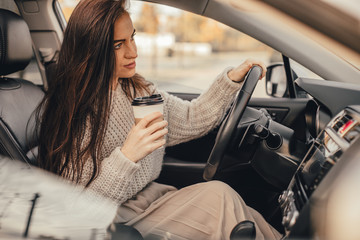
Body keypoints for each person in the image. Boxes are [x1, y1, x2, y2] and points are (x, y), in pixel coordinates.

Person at [36, 0, 281, 239]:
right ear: (92, 49)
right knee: (221, 199)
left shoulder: (137, 90)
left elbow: (191, 118)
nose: (134, 51)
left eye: (132, 37)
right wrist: (127, 156)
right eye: (117, 45)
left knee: (240, 209)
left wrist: (231, 81)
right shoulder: (76, 115)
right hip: (115, 220)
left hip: (153, 198)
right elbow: (78, 211)